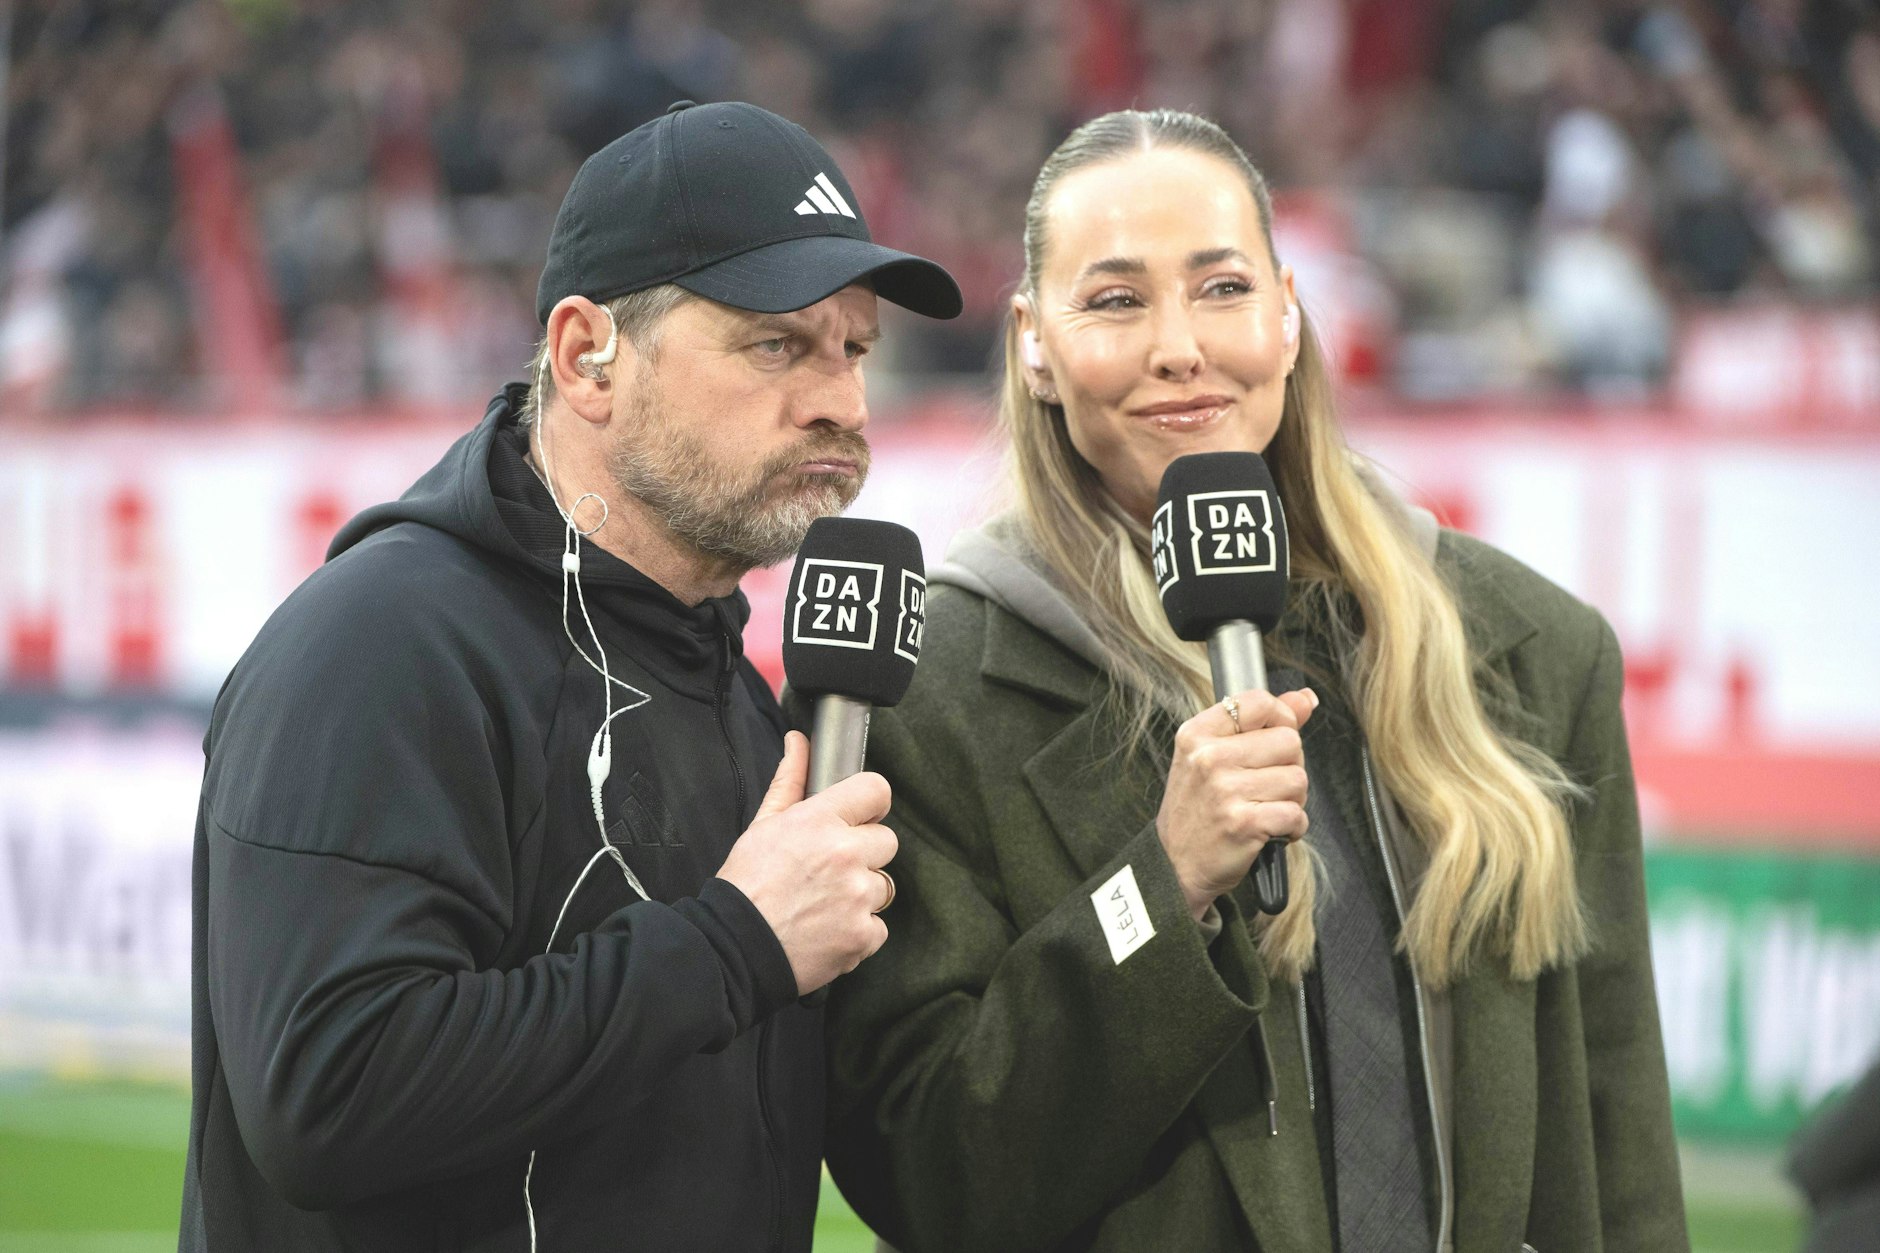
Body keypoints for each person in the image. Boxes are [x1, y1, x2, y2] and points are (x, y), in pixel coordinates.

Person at [821, 109, 1689, 1253]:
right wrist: (1159, 885)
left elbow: (1610, 1138)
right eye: (1116, 299)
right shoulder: (931, 689)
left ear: (1286, 313)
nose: (1178, 346)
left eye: (1220, 287)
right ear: (1033, 341)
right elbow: (936, 1182)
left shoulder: (1533, 648)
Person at [178, 100, 960, 1251]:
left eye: (853, 350)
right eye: (776, 343)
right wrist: (734, 943)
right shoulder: (379, 643)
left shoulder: (742, 697)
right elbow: (327, 1094)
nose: (841, 402)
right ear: (588, 356)